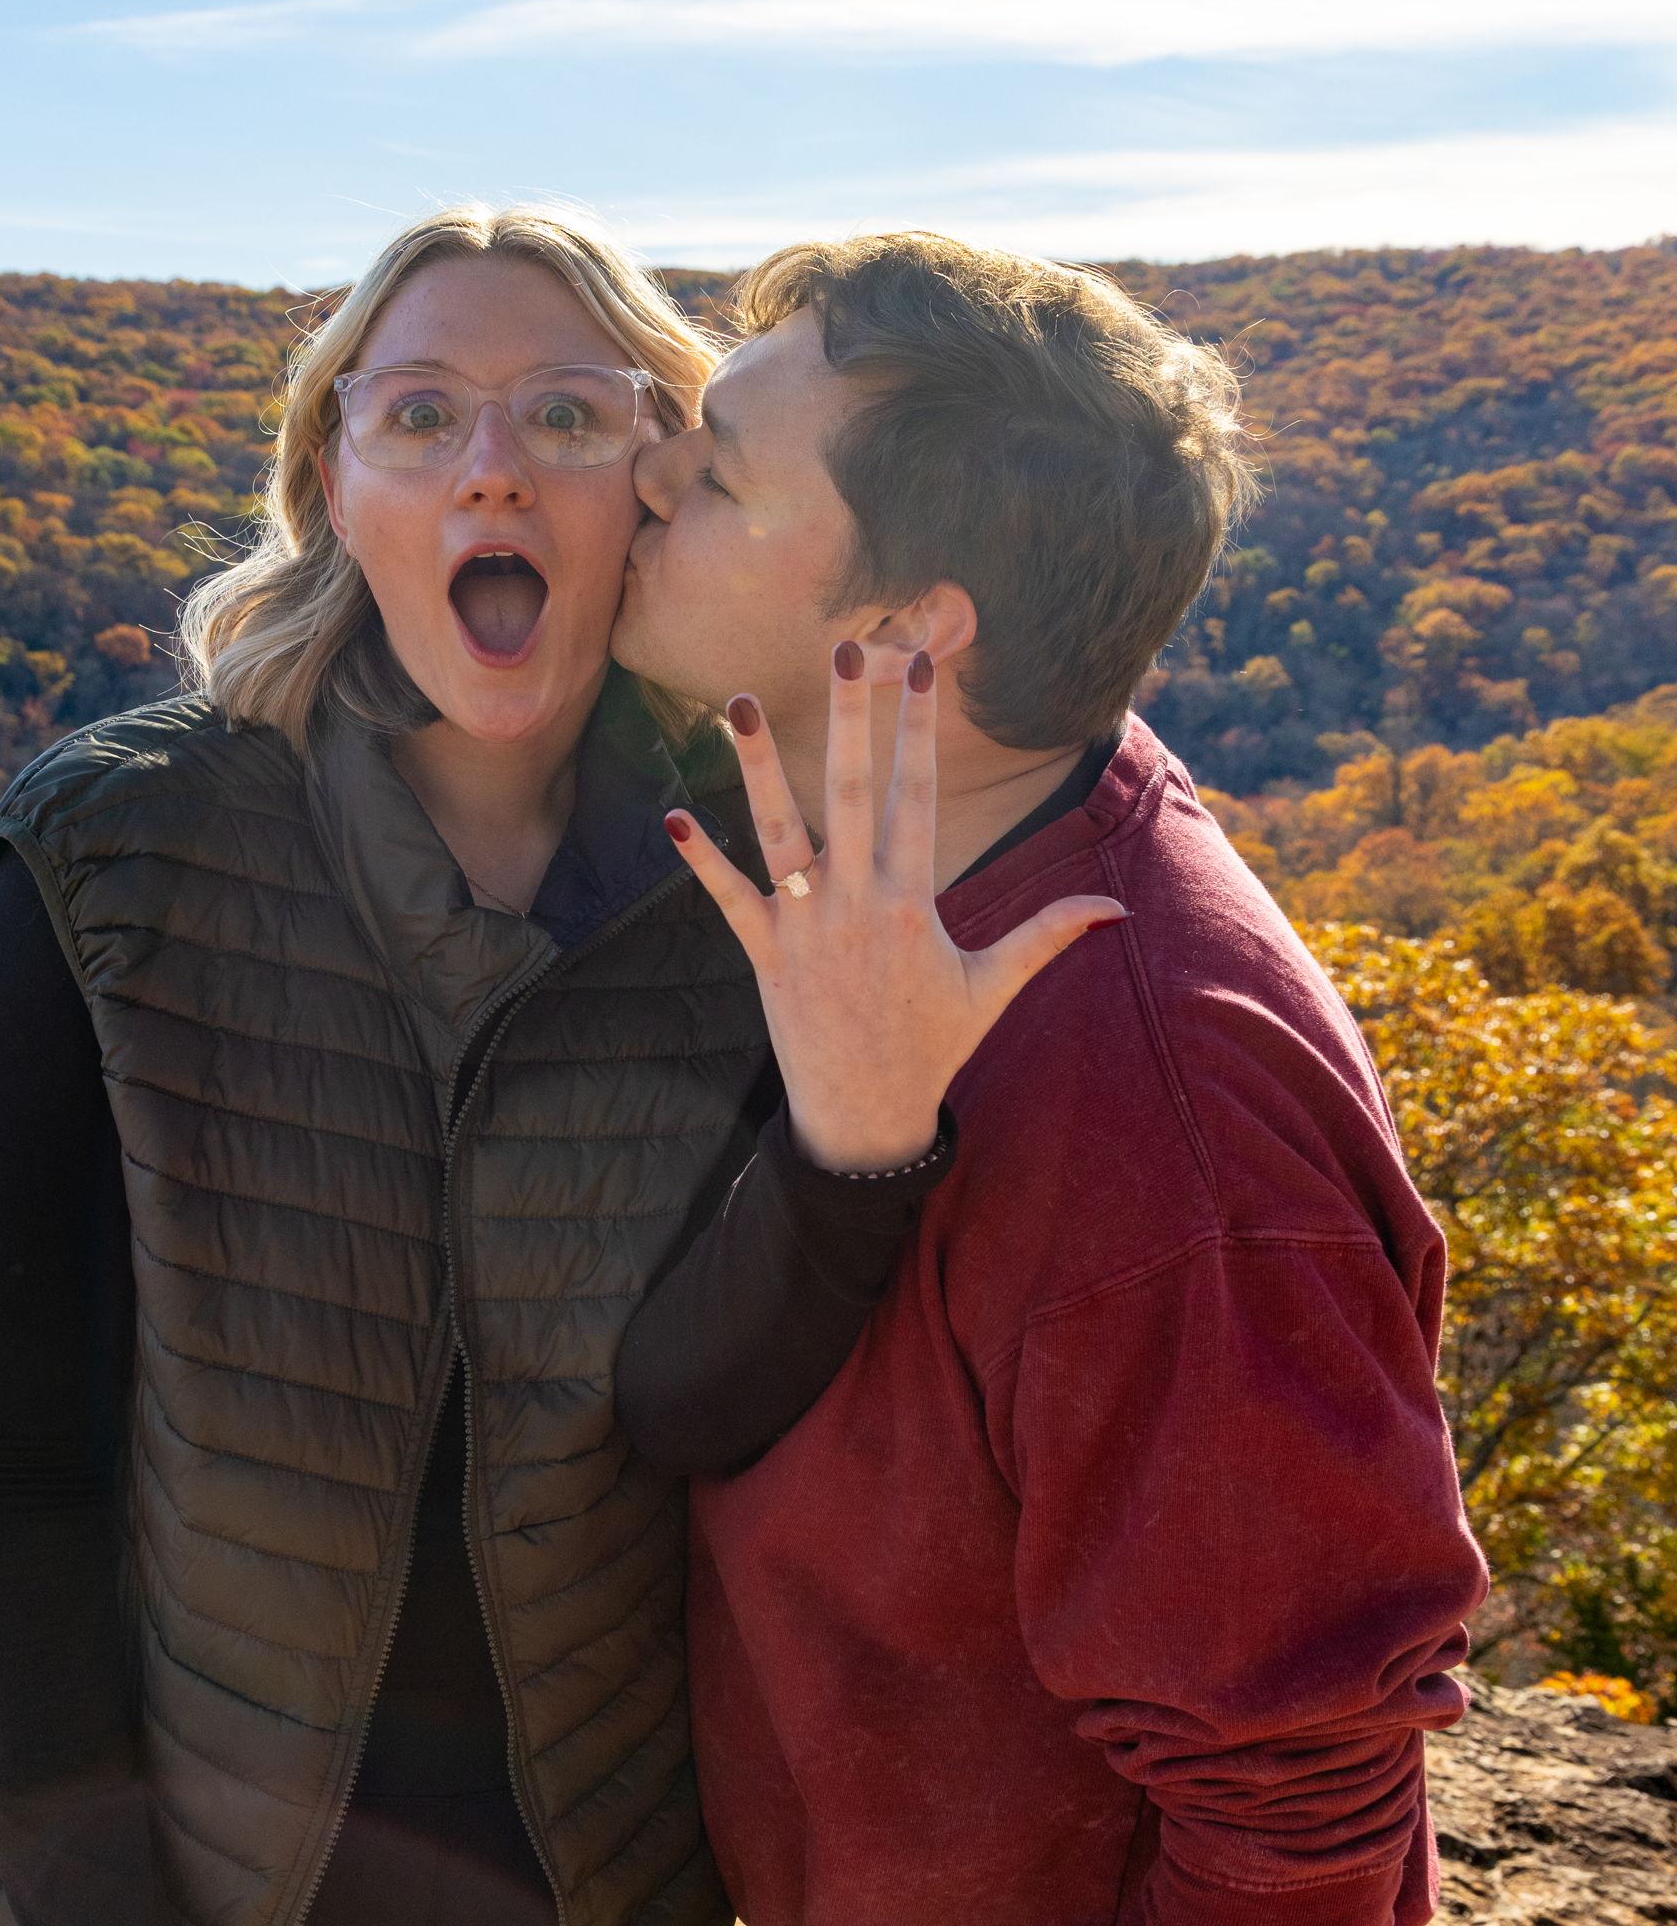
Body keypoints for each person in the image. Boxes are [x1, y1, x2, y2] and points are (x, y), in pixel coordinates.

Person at [0, 205, 1113, 1926]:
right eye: (423, 413)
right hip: (129, 1866)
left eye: (571, 417)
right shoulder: (112, 847)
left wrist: (860, 1149)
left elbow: (684, 1407)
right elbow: (11, 1475)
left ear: (656, 494)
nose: (495, 474)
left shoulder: (752, 889)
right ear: (335, 484)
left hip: (574, 1870)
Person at [612, 233, 1493, 1926]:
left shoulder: (1161, 1107)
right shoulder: (900, 842)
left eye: (715, 475)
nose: (648, 474)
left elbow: (1296, 1800)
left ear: (904, 636)